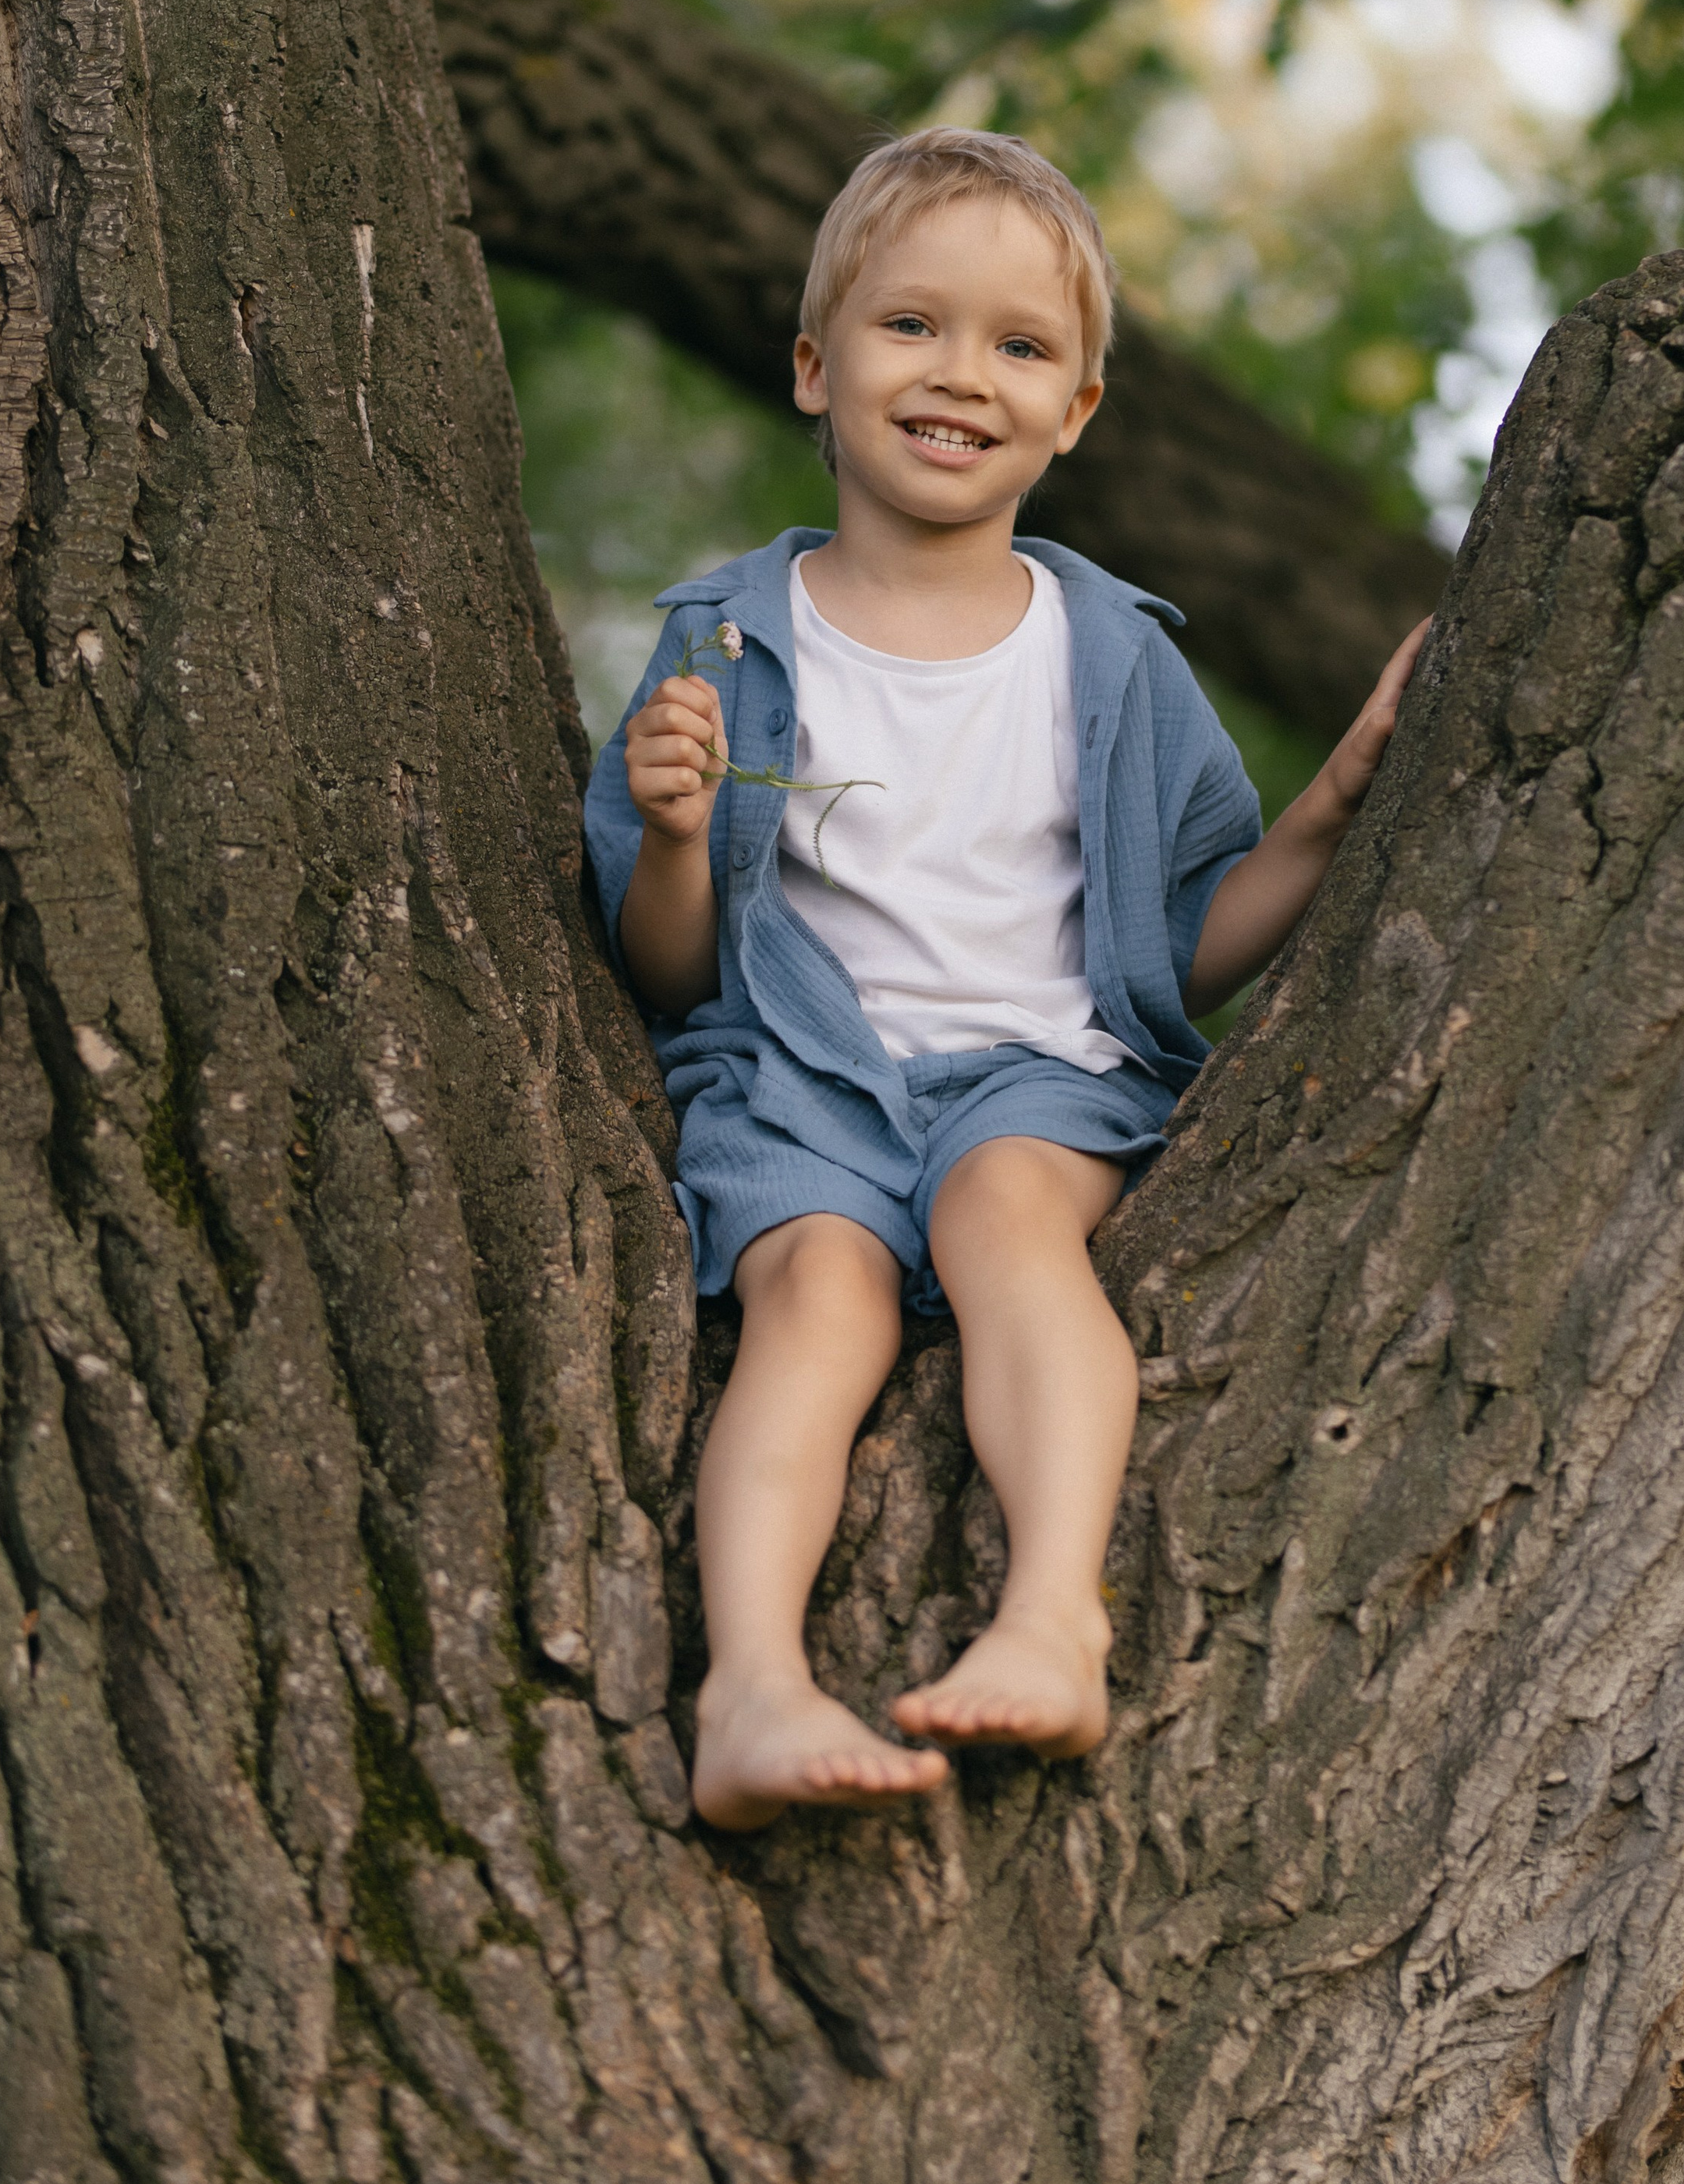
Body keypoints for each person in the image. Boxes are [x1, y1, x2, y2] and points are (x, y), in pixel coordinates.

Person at [583, 128, 1427, 1830]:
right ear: (816, 370)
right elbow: (663, 969)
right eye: (911, 328)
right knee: (818, 1299)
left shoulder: (1107, 654)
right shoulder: (727, 640)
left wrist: (1328, 814)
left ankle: (1050, 1622)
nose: (960, 374)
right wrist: (671, 834)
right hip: (796, 1081)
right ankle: (749, 1686)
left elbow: (1170, 946)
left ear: (1077, 411)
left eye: (1019, 345)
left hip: (1037, 1074)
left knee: (1003, 1222)